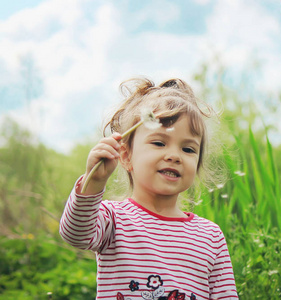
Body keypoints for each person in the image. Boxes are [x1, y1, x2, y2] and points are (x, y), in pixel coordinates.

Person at [59, 77, 238, 299]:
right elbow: (75, 234)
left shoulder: (210, 236)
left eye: (188, 149)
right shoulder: (113, 219)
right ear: (126, 155)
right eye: (159, 143)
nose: (174, 155)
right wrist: (94, 181)